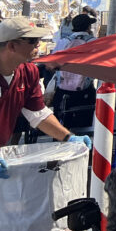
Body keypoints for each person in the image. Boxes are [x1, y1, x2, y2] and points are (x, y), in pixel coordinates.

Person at [0, 17, 88, 156]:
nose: (38, 44)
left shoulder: (29, 72)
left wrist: (68, 137)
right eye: (32, 40)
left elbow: (37, 114)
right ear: (11, 46)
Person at [51, 12, 98, 130]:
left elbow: (53, 62)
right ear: (88, 27)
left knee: (61, 127)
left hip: (62, 91)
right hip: (85, 92)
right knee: (83, 128)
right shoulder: (94, 42)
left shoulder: (63, 42)